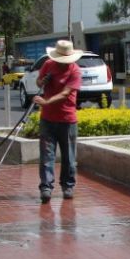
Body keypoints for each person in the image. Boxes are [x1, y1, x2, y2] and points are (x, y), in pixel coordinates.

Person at [32, 40, 83, 203]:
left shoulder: (75, 71)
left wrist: (46, 102)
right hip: (47, 119)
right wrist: (43, 81)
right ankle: (46, 187)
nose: (61, 64)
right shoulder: (48, 64)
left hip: (67, 120)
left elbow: (65, 93)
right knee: (47, 155)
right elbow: (38, 81)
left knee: (69, 157)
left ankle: (68, 185)